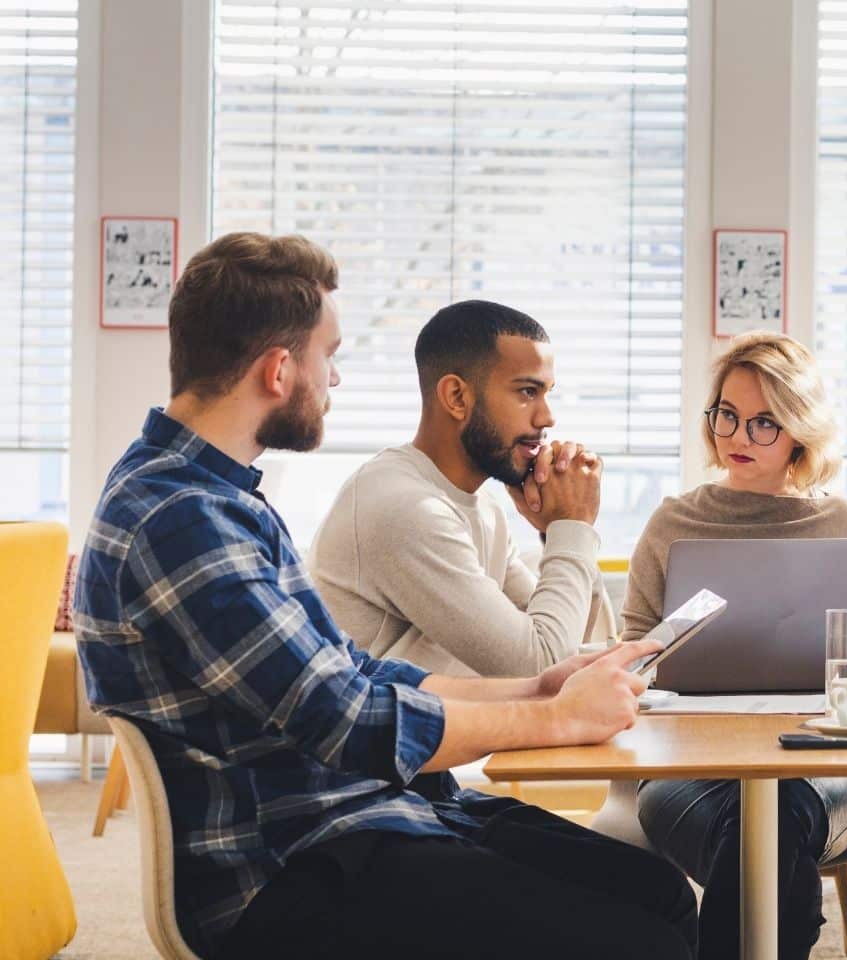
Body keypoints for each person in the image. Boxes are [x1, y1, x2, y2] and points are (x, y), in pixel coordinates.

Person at [72, 232, 697, 960]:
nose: (332, 381)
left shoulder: (220, 497)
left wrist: (534, 686)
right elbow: (346, 722)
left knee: (659, 893)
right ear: (279, 370)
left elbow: (348, 670)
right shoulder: (180, 520)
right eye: (327, 357)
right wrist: (552, 718)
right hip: (286, 865)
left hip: (356, 814)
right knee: (636, 940)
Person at [606, 331, 847, 960]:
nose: (737, 437)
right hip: (687, 766)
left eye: (763, 423)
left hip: (820, 762)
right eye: (726, 414)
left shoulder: (842, 526)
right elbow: (631, 657)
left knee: (776, 816)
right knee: (771, 842)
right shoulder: (673, 523)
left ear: (799, 431)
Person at [311, 300, 611, 678]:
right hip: (385, 735)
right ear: (456, 397)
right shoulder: (405, 508)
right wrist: (573, 524)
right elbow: (539, 665)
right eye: (527, 392)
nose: (547, 417)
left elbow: (565, 641)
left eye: (547, 392)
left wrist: (558, 530)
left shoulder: (480, 505)